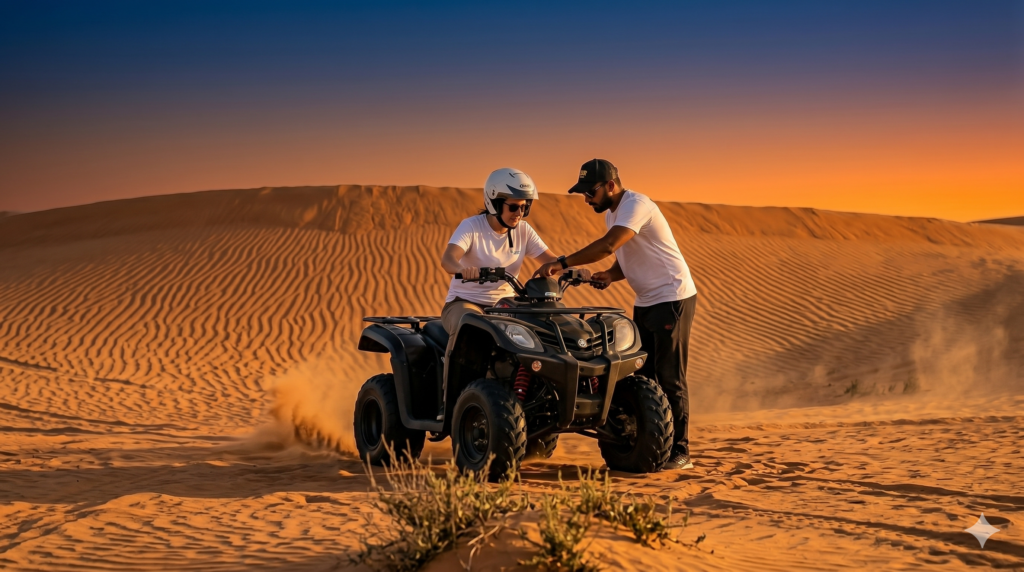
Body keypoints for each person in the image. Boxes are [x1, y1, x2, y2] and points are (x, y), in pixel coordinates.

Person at [535, 159, 698, 470]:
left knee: (669, 377)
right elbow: (628, 254)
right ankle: (651, 447)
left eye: (590, 191)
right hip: (647, 300)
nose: (586, 198)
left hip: (672, 297)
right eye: (582, 193)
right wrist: (610, 276)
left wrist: (561, 263)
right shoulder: (614, 212)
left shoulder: (637, 205)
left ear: (611, 185)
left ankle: (680, 450)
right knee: (643, 375)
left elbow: (610, 245)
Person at [440, 168, 588, 334]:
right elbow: (448, 259)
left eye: (524, 207)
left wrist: (573, 271)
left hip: (506, 305)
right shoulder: (471, 226)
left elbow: (551, 261)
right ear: (495, 203)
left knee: (543, 333)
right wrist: (462, 270)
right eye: (513, 207)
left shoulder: (523, 230)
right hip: (465, 302)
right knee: (471, 330)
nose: (519, 214)